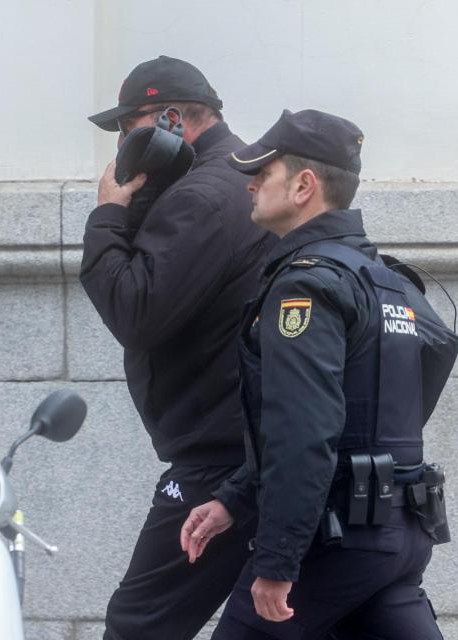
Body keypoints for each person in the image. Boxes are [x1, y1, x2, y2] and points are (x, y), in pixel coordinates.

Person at [178, 109, 458, 639]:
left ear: (304, 185)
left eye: (264, 170)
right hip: (398, 531)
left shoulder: (305, 287)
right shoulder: (386, 280)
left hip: (333, 542)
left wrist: (278, 561)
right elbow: (433, 357)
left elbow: (302, 430)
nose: (251, 181)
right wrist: (234, 499)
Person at [79, 55, 274, 640]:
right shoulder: (239, 177)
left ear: (168, 120)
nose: (121, 144)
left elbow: (135, 311)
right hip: (252, 445)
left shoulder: (203, 196)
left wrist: (110, 211)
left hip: (218, 457)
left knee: (140, 622)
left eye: (127, 127)